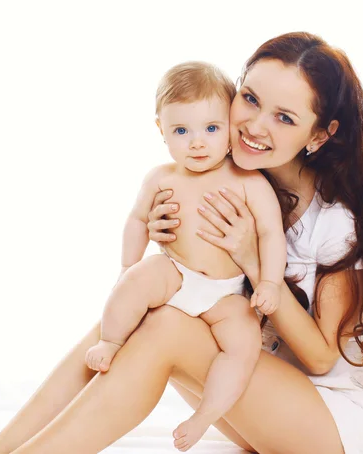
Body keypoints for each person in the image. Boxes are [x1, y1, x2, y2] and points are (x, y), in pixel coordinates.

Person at [0, 31, 363, 454]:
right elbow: (192, 271)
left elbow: (322, 358)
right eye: (250, 99)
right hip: (252, 382)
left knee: (166, 326)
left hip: (328, 419)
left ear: (319, 136)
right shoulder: (230, 172)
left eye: (284, 118)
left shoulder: (337, 220)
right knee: (127, 317)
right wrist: (165, 234)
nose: (254, 126)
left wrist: (253, 259)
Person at [84, 61, 286, 450]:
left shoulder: (249, 181)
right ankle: (111, 341)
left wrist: (270, 283)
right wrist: (128, 267)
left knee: (242, 347)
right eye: (181, 130)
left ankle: (204, 417)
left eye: (211, 129)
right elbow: (137, 221)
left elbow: (269, 233)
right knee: (140, 279)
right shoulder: (161, 177)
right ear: (161, 130)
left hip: (227, 293)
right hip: (174, 273)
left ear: (230, 127)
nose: (197, 142)